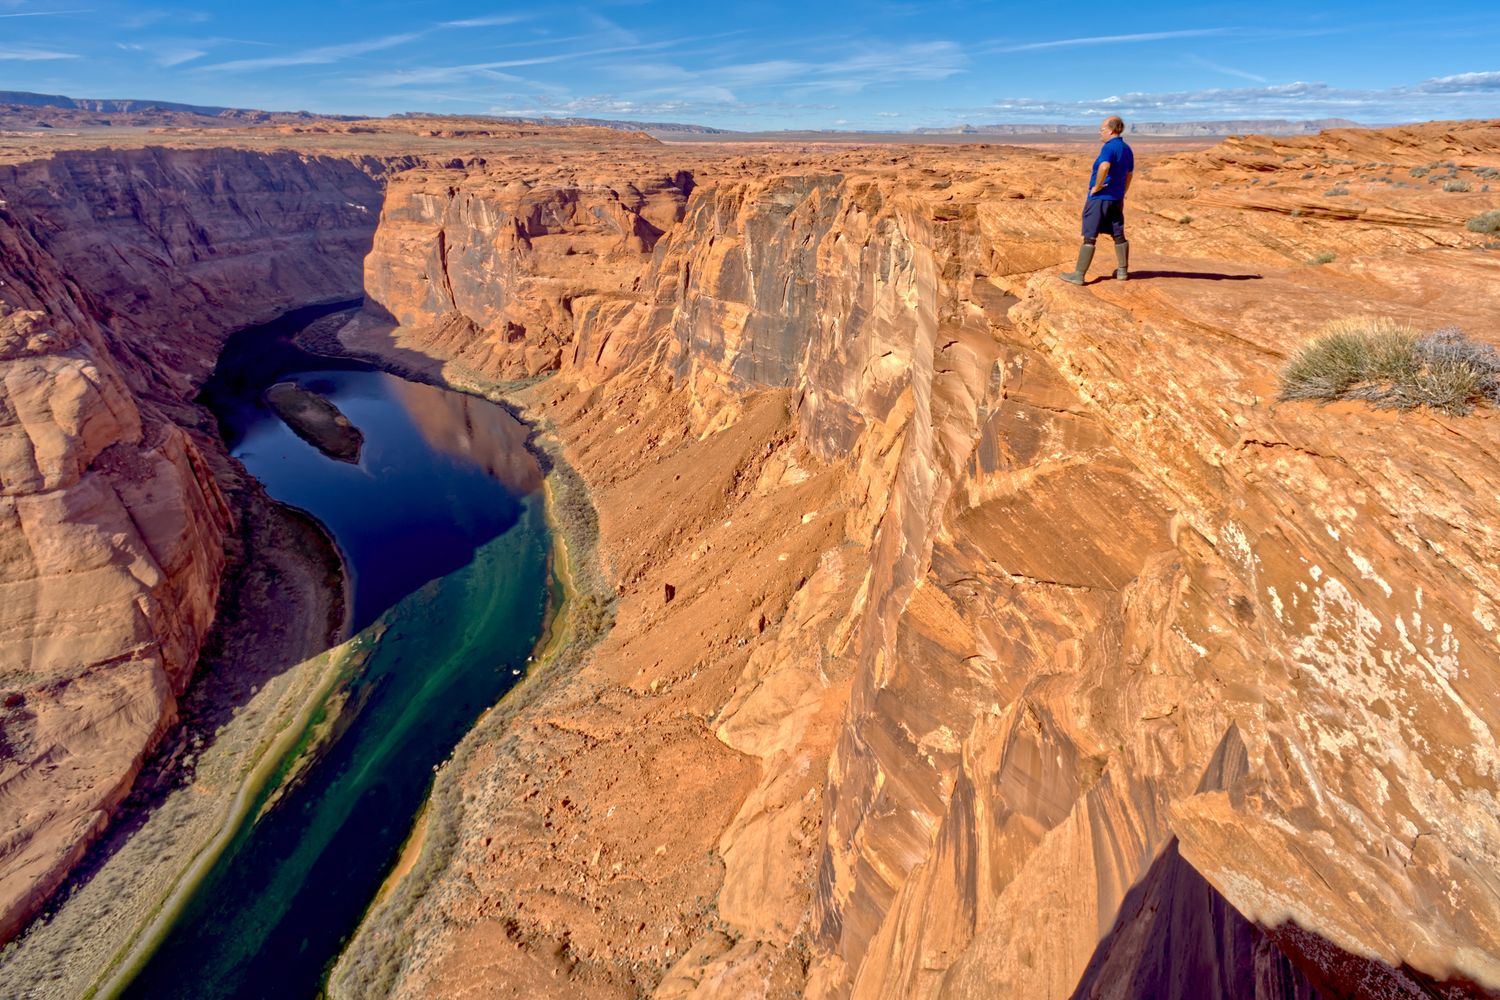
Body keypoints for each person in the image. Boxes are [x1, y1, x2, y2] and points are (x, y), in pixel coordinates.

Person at [1060, 116, 1134, 284]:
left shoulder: (1109, 147)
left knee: (1090, 236)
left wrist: (1097, 186)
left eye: (1101, 129)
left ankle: (1079, 275)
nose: (1099, 133)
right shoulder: (1127, 148)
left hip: (1100, 198)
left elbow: (1104, 166)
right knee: (1118, 234)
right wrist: (1123, 191)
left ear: (1110, 130)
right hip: (1116, 198)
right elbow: (1129, 174)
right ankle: (1122, 271)